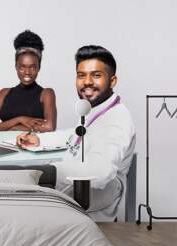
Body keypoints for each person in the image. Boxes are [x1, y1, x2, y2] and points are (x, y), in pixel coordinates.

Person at [17, 45, 136, 221]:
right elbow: (75, 135)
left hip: (88, 213)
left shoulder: (117, 120)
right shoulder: (97, 110)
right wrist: (39, 140)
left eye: (96, 75)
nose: (87, 82)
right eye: (81, 75)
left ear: (112, 81)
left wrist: (45, 172)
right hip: (71, 196)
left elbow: (100, 170)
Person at [0, 30, 57, 132]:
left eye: (32, 67)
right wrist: (20, 119)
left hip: (32, 147)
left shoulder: (46, 93)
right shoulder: (4, 93)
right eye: (22, 67)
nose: (27, 72)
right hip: (1, 147)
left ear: (39, 68)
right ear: (16, 67)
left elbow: (49, 127)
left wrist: (13, 128)